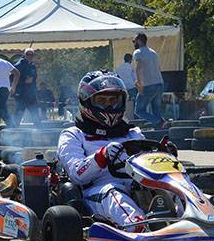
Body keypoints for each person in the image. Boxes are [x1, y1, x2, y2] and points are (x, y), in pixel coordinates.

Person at [57, 71, 150, 229]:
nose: (109, 106)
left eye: (113, 100)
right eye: (102, 101)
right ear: (87, 102)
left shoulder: (133, 133)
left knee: (170, 185)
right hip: (97, 192)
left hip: (136, 186)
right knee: (113, 192)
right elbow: (76, 174)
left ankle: (199, 220)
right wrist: (101, 156)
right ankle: (139, 227)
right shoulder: (74, 135)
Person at [132, 33, 166, 128]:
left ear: (139, 41)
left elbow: (139, 68)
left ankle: (159, 122)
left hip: (148, 85)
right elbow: (158, 68)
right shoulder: (153, 52)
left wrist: (139, 84)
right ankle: (162, 127)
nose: (134, 43)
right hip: (159, 83)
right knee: (156, 110)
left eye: (134, 41)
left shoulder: (138, 52)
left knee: (139, 110)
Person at [13, 49, 41, 126]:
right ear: (25, 55)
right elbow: (12, 78)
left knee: (35, 113)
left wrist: (36, 89)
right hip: (21, 93)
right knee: (19, 113)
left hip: (31, 94)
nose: (30, 56)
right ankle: (13, 131)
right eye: (28, 54)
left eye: (31, 55)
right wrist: (23, 81)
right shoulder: (19, 65)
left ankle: (39, 131)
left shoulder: (32, 66)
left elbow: (34, 79)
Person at [114, 53, 138, 120]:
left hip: (123, 88)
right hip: (131, 87)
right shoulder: (131, 67)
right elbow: (135, 78)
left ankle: (123, 117)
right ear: (130, 59)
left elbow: (117, 78)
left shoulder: (119, 68)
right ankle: (136, 117)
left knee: (124, 103)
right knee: (135, 103)